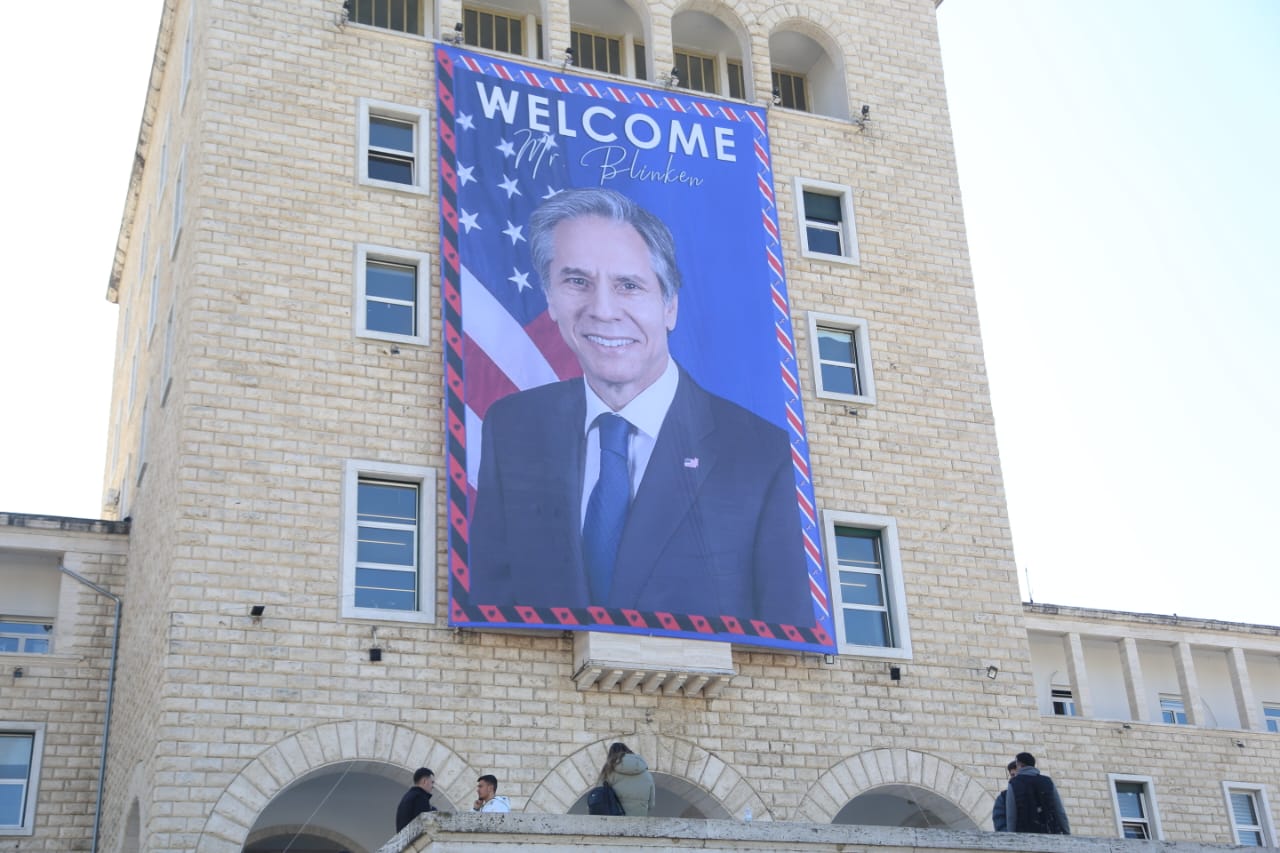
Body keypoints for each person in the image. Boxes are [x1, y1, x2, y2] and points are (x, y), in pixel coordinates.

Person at [468, 187, 813, 626]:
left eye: (629, 286)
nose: (603, 310)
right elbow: (492, 602)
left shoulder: (761, 455)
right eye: (577, 282)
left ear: (669, 305)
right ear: (550, 299)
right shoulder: (512, 426)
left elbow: (787, 629)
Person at [1004, 752, 1070, 834]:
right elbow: (1059, 811)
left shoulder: (1013, 784)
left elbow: (1011, 816)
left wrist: (1011, 837)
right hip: (1050, 833)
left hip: (1024, 836)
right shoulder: (1048, 781)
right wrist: (1067, 833)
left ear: (1019, 765)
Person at [598, 742, 655, 816]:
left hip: (614, 818)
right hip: (638, 819)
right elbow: (651, 804)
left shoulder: (609, 770)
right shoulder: (646, 773)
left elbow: (598, 795)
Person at [394, 767, 437, 832]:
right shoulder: (420, 797)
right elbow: (423, 825)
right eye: (432, 782)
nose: (433, 786)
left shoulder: (408, 796)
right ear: (424, 781)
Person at [991, 760, 1017, 831]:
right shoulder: (1003, 797)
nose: (1015, 777)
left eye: (1018, 774)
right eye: (1012, 775)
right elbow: (1000, 824)